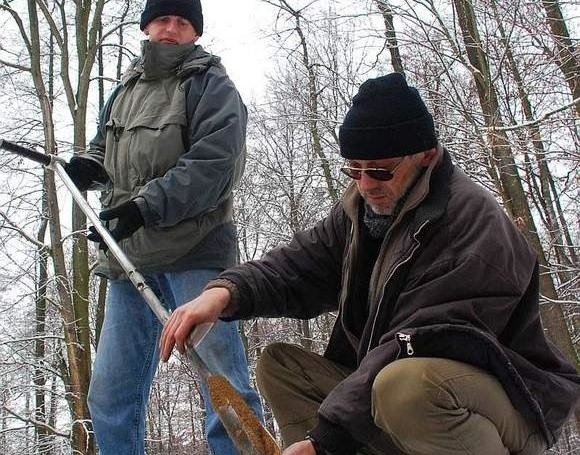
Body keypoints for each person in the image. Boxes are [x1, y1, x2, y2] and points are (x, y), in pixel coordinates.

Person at [159, 73, 580, 455]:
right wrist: (221, 294)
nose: (365, 185)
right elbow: (296, 267)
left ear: (427, 156)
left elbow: (415, 340)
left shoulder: (472, 226)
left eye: (379, 171)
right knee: (282, 366)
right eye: (353, 170)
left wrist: (323, 441)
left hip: (507, 405)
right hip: (402, 387)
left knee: (405, 387)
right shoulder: (363, 212)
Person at [63, 0, 263, 453]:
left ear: (195, 32)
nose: (171, 29)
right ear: (147, 26)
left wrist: (144, 207)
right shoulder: (125, 89)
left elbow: (215, 165)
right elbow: (104, 152)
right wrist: (86, 169)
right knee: (110, 394)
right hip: (129, 260)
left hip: (196, 255)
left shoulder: (211, 85)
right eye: (162, 19)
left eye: (182, 22)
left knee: (223, 386)